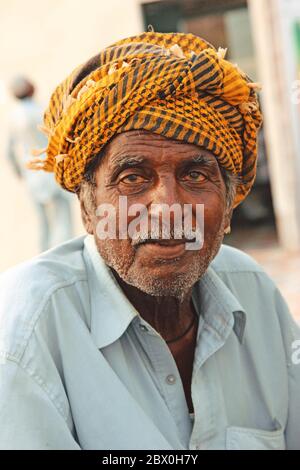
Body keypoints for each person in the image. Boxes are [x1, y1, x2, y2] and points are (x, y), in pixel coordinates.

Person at [0, 32, 299, 450]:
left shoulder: (257, 294)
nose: (168, 209)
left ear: (229, 205)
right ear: (88, 209)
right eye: (133, 178)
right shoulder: (26, 330)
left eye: (196, 175)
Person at [7, 76, 73, 251]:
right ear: (31, 89)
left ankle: (43, 255)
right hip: (51, 172)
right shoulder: (42, 110)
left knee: (43, 221)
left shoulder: (13, 116)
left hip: (31, 175)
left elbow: (9, 152)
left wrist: (21, 173)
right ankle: (63, 254)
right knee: (62, 218)